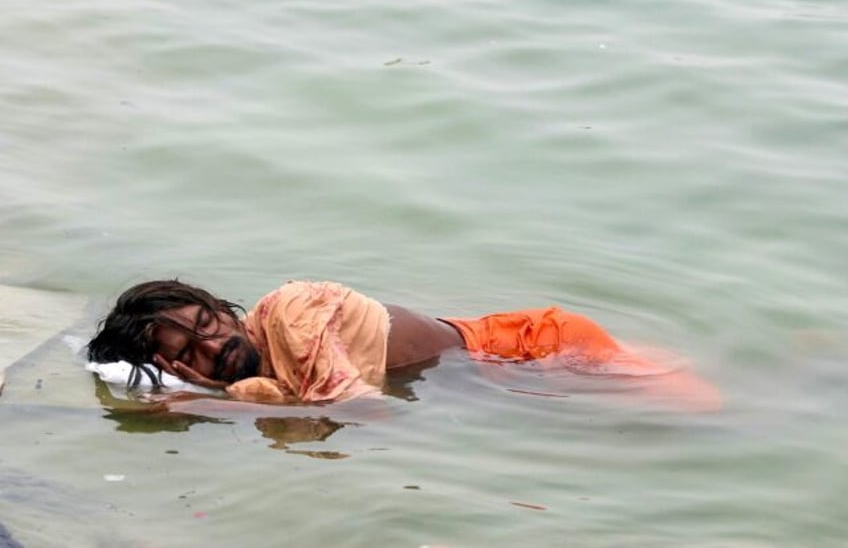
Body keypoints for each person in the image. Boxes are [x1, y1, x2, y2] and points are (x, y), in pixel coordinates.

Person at [87, 279, 721, 409]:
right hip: (499, 375)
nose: (212, 345)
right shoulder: (263, 373)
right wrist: (213, 387)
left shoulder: (291, 314)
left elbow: (365, 409)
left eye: (206, 322)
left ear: (223, 308)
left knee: (709, 415)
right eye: (188, 351)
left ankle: (813, 369)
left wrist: (206, 401)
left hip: (535, 346)